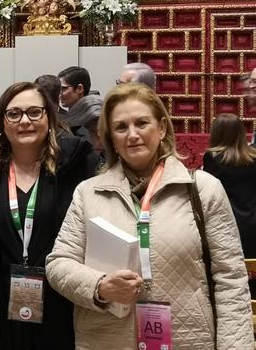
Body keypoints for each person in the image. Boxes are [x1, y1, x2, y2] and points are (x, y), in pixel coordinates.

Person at [46, 83, 252, 350]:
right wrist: (100, 286)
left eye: (142, 123)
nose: (132, 135)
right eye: (121, 127)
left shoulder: (203, 189)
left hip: (187, 339)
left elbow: (231, 278)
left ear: (162, 128)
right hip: (107, 340)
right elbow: (59, 264)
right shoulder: (88, 193)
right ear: (111, 139)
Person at [0, 82, 98, 349]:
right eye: (14, 113)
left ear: (49, 118)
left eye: (34, 112)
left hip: (60, 300)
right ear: (2, 122)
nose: (24, 121)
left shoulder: (76, 166)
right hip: (0, 300)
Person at [203, 113, 256, 261]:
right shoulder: (253, 158)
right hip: (252, 223)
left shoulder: (212, 158)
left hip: (225, 226)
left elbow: (208, 192)